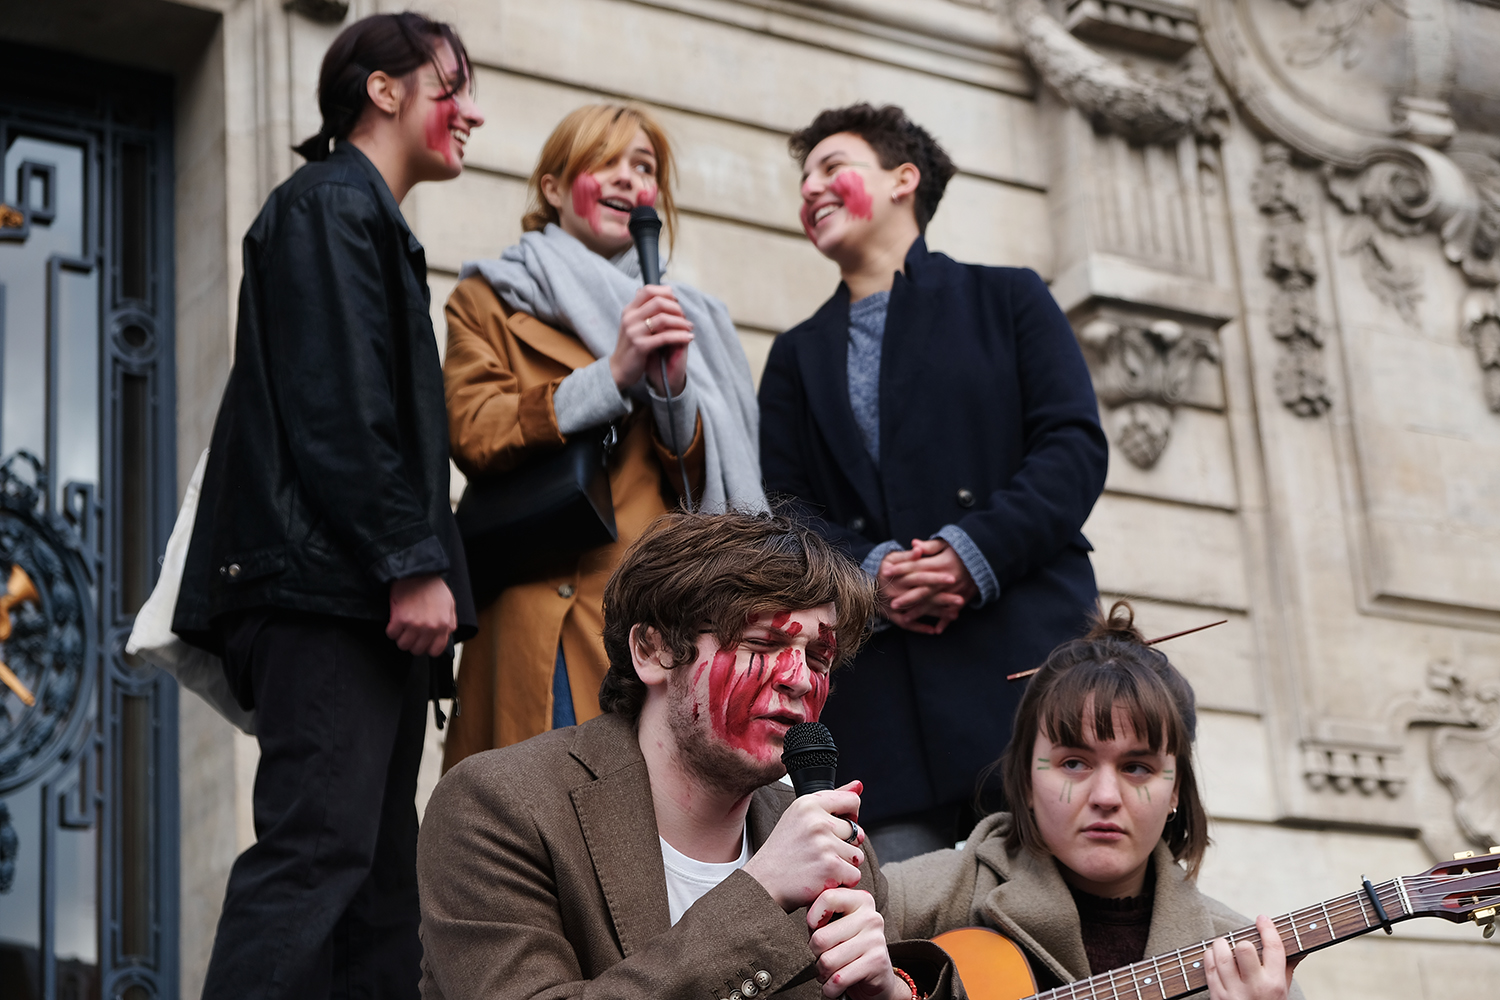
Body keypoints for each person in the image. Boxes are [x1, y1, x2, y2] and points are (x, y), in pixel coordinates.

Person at [172, 13, 482, 998]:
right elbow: (337, 408)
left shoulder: (361, 216)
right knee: (315, 862)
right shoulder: (328, 206)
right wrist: (410, 559)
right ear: (383, 91)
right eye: (451, 86)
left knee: (379, 896)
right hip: (328, 596)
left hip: (349, 600)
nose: (470, 111)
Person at [758, 103, 1109, 861]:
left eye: (832, 166)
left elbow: (1072, 447)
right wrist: (874, 574)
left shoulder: (1009, 297)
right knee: (914, 950)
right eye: (803, 177)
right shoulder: (794, 355)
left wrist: (968, 555)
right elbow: (789, 513)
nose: (811, 188)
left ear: (902, 181)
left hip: (1024, 674)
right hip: (881, 702)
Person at [416, 510, 957, 1000]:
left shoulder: (832, 844)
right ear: (652, 651)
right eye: (761, 644)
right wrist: (761, 892)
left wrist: (893, 994)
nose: (798, 680)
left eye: (818, 657)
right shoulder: (501, 806)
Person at [439, 103, 764, 767]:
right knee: (540, 836)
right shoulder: (491, 297)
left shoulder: (689, 316)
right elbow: (472, 428)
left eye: (643, 167)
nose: (627, 179)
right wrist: (610, 375)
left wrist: (672, 389)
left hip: (650, 618)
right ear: (555, 188)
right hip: (540, 617)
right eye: (603, 162)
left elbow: (699, 490)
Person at [881, 602, 1305, 1000]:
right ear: (1026, 781)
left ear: (1176, 790)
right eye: (1074, 763)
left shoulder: (1248, 968)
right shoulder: (903, 901)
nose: (1105, 797)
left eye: (1137, 767)